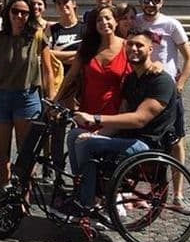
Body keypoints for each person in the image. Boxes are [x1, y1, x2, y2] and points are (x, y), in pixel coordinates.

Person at [68, 29, 178, 211]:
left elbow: (139, 119)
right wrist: (98, 133)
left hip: (148, 144)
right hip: (126, 138)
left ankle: (86, 204)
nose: (133, 48)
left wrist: (95, 118)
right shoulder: (130, 80)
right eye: (130, 44)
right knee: (75, 136)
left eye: (139, 45)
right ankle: (83, 191)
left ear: (150, 49)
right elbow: (122, 115)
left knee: (86, 146)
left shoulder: (161, 81)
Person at [135, 0, 190, 211]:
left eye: (154, 0)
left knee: (176, 140)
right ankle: (144, 191)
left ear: (162, 2)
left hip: (168, 90)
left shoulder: (172, 24)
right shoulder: (137, 21)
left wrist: (179, 85)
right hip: (144, 88)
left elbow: (189, 58)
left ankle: (178, 195)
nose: (150, 4)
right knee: (146, 139)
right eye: (145, 0)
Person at [0, 0, 56, 188]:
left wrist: (50, 100)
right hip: (1, 97)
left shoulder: (38, 37)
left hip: (27, 97)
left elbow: (48, 71)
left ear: (29, 15)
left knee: (26, 152)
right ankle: (6, 186)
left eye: (24, 12)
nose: (19, 16)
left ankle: (24, 192)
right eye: (15, 11)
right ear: (8, 13)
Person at [58, 5, 131, 120]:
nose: (104, 22)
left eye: (107, 18)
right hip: (88, 114)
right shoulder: (87, 47)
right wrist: (55, 100)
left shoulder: (128, 47)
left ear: (116, 21)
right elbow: (70, 76)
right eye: (99, 20)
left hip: (117, 115)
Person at [49, 0, 85, 75]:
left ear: (73, 4)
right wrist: (77, 54)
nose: (63, 5)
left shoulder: (85, 28)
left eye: (65, 2)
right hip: (59, 79)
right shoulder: (51, 30)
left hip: (81, 79)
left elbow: (86, 54)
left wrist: (59, 57)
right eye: (59, 3)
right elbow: (47, 53)